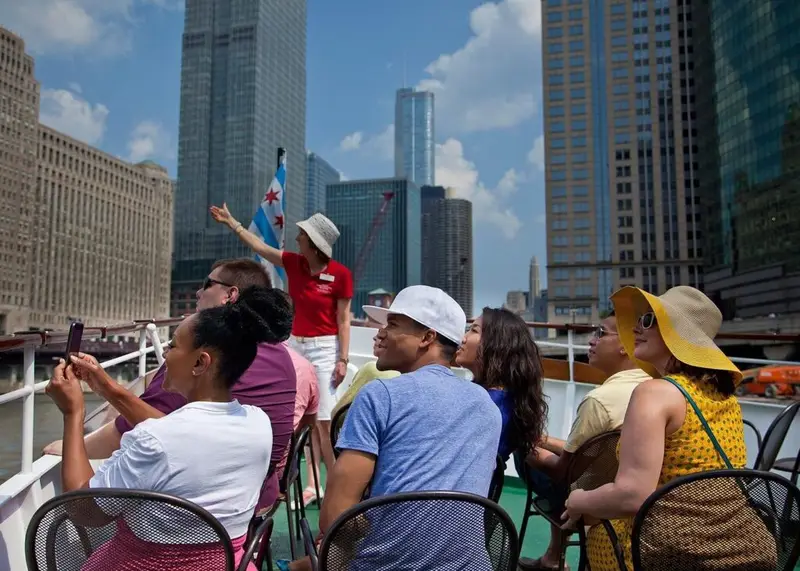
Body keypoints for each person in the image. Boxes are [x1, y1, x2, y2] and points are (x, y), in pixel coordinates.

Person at [45, 286, 293, 570]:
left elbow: (83, 510)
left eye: (173, 346)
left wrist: (73, 413)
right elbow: (183, 439)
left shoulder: (155, 440)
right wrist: (105, 386)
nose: (164, 353)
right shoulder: (259, 424)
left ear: (200, 362)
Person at [279, 286, 502, 571]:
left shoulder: (379, 395)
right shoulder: (487, 406)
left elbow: (335, 517)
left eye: (393, 325)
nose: (380, 333)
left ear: (427, 338)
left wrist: (380, 520)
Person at [562, 286, 775, 571]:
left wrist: (578, 500)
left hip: (672, 555)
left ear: (675, 332)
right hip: (745, 549)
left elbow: (631, 495)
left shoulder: (654, 393)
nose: (636, 327)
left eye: (649, 320)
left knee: (597, 535)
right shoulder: (724, 395)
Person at [210, 205, 351, 497]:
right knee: (302, 418)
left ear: (313, 243)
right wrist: (232, 222)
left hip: (325, 348)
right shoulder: (294, 263)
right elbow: (260, 247)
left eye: (302, 236)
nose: (297, 239)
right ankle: (313, 484)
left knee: (323, 421)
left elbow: (344, 320)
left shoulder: (341, 275)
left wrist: (343, 359)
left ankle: (338, 489)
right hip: (294, 343)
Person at [518, 311, 650, 570]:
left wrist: (528, 449)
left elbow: (564, 471)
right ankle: (553, 556)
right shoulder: (656, 387)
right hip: (625, 489)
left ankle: (553, 557)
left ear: (625, 345)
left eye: (600, 333)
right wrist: (546, 441)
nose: (591, 340)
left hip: (590, 499)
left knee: (526, 458)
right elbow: (594, 450)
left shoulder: (599, 401)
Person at [455, 307, 548, 462]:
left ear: (496, 344)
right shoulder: (509, 398)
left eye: (474, 330)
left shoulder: (487, 403)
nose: (463, 338)